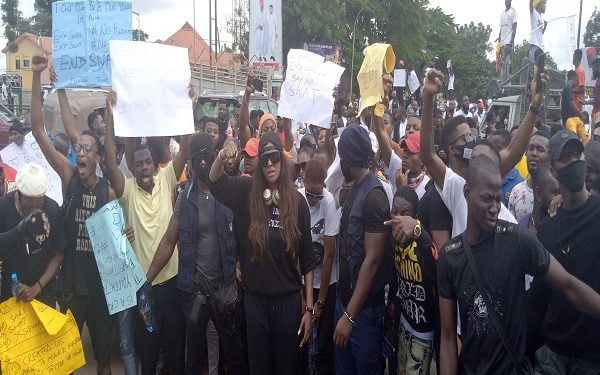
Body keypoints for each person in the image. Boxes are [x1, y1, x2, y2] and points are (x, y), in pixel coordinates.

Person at [437, 149, 600, 374]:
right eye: (486, 199)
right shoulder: (450, 256)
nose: (494, 208)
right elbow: (447, 337)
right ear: (467, 192)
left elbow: (567, 285)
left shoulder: (517, 240)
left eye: (497, 199)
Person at [30, 56, 115, 375]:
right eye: (78, 147)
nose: (80, 151)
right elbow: (39, 130)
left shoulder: (108, 191)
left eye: (87, 148)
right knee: (65, 360)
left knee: (104, 359)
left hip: (102, 291)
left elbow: (117, 237)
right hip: (71, 288)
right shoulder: (69, 178)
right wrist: (42, 78)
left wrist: (126, 235)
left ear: (98, 156)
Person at [209, 132, 315, 374]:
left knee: (287, 367)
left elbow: (308, 262)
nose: (269, 164)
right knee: (259, 367)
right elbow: (215, 182)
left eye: (274, 157)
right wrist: (221, 156)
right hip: (255, 301)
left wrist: (308, 309)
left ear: (282, 159)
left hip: (288, 303)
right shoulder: (246, 191)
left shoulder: (298, 203)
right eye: (264, 158)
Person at [146, 133, 248, 374]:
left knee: (235, 357)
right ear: (190, 163)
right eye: (197, 159)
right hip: (195, 292)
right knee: (193, 358)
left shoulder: (230, 191)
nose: (202, 164)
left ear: (214, 158)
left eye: (206, 157)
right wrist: (147, 279)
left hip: (225, 290)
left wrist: (240, 264)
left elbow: (245, 233)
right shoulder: (185, 198)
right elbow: (169, 240)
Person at [103, 91, 189, 375]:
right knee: (148, 355)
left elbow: (186, 148)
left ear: (154, 165)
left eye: (147, 163)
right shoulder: (127, 189)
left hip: (172, 283)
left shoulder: (167, 179)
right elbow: (111, 161)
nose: (143, 167)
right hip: (143, 288)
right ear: (134, 167)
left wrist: (189, 103)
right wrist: (110, 112)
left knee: (176, 350)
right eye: (138, 164)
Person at [419, 67, 546, 239]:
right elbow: (428, 156)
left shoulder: (486, 168)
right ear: (452, 149)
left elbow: (513, 152)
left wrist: (534, 106)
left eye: (472, 135)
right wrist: (428, 96)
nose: (472, 140)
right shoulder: (455, 186)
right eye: (465, 138)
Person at [528, 130, 600, 372]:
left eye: (577, 154)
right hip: (554, 354)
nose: (575, 161)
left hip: (593, 357)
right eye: (565, 157)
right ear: (554, 170)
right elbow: (538, 298)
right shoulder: (548, 229)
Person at [333, 124, 393, 374]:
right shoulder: (356, 187)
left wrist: (349, 317)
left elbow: (372, 261)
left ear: (348, 159)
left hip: (363, 314)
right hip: (346, 303)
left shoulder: (374, 197)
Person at [0, 163, 65, 307]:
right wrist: (19, 230)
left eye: (38, 205)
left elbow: (58, 254)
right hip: (10, 296)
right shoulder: (4, 207)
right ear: (19, 194)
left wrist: (36, 288)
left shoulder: (52, 209)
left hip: (43, 296)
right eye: (29, 206)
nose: (34, 211)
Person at [389, 187, 437, 375]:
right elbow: (395, 274)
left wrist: (418, 229)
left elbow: (437, 270)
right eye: (395, 212)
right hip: (404, 320)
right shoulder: (393, 239)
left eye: (404, 214)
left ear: (414, 216)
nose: (398, 218)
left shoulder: (422, 242)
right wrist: (392, 301)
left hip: (423, 331)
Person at [299, 160, 340, 375]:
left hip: (326, 281)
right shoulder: (296, 198)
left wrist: (320, 301)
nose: (314, 200)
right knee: (301, 338)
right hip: (301, 280)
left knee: (324, 341)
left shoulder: (329, 201)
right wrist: (304, 300)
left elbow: (329, 254)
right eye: (310, 194)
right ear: (303, 181)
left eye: (318, 195)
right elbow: (294, 253)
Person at [508, 130, 550, 223]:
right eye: (531, 148)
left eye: (540, 149)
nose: (534, 153)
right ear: (526, 153)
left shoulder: (555, 192)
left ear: (549, 155)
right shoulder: (516, 191)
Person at [488, 129, 525, 207]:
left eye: (498, 148)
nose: (493, 152)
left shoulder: (519, 183)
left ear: (509, 150)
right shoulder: (483, 176)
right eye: (491, 148)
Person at [518, 163, 558, 232]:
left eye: (562, 193)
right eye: (556, 193)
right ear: (538, 193)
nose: (559, 198)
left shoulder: (562, 225)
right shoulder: (523, 225)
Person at [562, 71, 589, 144]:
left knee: (585, 138)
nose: (577, 82)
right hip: (569, 118)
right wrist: (581, 114)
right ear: (574, 78)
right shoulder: (567, 87)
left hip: (575, 117)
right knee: (573, 139)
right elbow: (571, 103)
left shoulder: (569, 88)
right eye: (576, 79)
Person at [499, 0, 518, 82]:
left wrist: (511, 41)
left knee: (505, 62)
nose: (506, 2)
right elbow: (501, 28)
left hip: (508, 41)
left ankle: (504, 82)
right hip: (502, 42)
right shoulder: (502, 13)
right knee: (504, 62)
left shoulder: (513, 11)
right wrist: (499, 39)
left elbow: (514, 27)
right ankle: (505, 81)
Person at [591, 58, 600, 128]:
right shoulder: (598, 80)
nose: (592, 71)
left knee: (596, 137)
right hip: (596, 112)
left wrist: (587, 102)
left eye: (593, 69)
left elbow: (598, 100)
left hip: (598, 114)